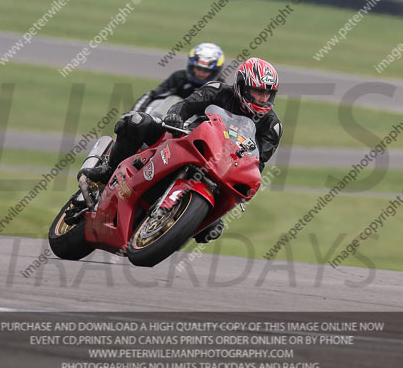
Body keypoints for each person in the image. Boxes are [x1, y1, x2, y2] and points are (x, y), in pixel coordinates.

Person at [80, 57, 283, 244]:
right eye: (258, 91)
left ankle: (181, 222)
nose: (263, 98)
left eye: (268, 93)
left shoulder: (272, 126)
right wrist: (175, 116)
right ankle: (108, 170)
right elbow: (185, 105)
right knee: (136, 122)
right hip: (183, 137)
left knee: (211, 229)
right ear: (241, 86)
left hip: (222, 167)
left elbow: (257, 164)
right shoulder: (218, 90)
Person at [131, 42, 225, 113]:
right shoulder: (179, 77)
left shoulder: (219, 87)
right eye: (198, 68)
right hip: (171, 125)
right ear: (192, 66)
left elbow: (227, 115)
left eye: (206, 70)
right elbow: (151, 95)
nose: (201, 73)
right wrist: (134, 115)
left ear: (215, 71)